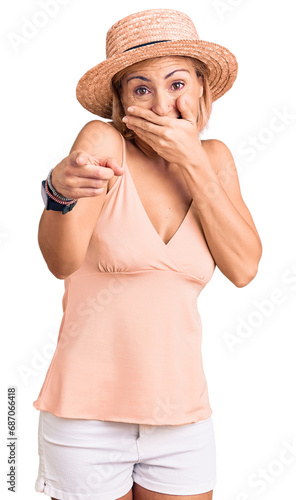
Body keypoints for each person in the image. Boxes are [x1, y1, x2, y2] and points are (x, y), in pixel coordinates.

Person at [34, 8, 262, 500]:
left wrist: (192, 162)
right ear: (120, 101)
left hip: (182, 418)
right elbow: (60, 262)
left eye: (178, 83)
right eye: (141, 89)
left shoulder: (216, 159)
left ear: (202, 87)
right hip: (86, 418)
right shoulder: (104, 143)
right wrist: (58, 192)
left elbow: (244, 268)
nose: (162, 104)